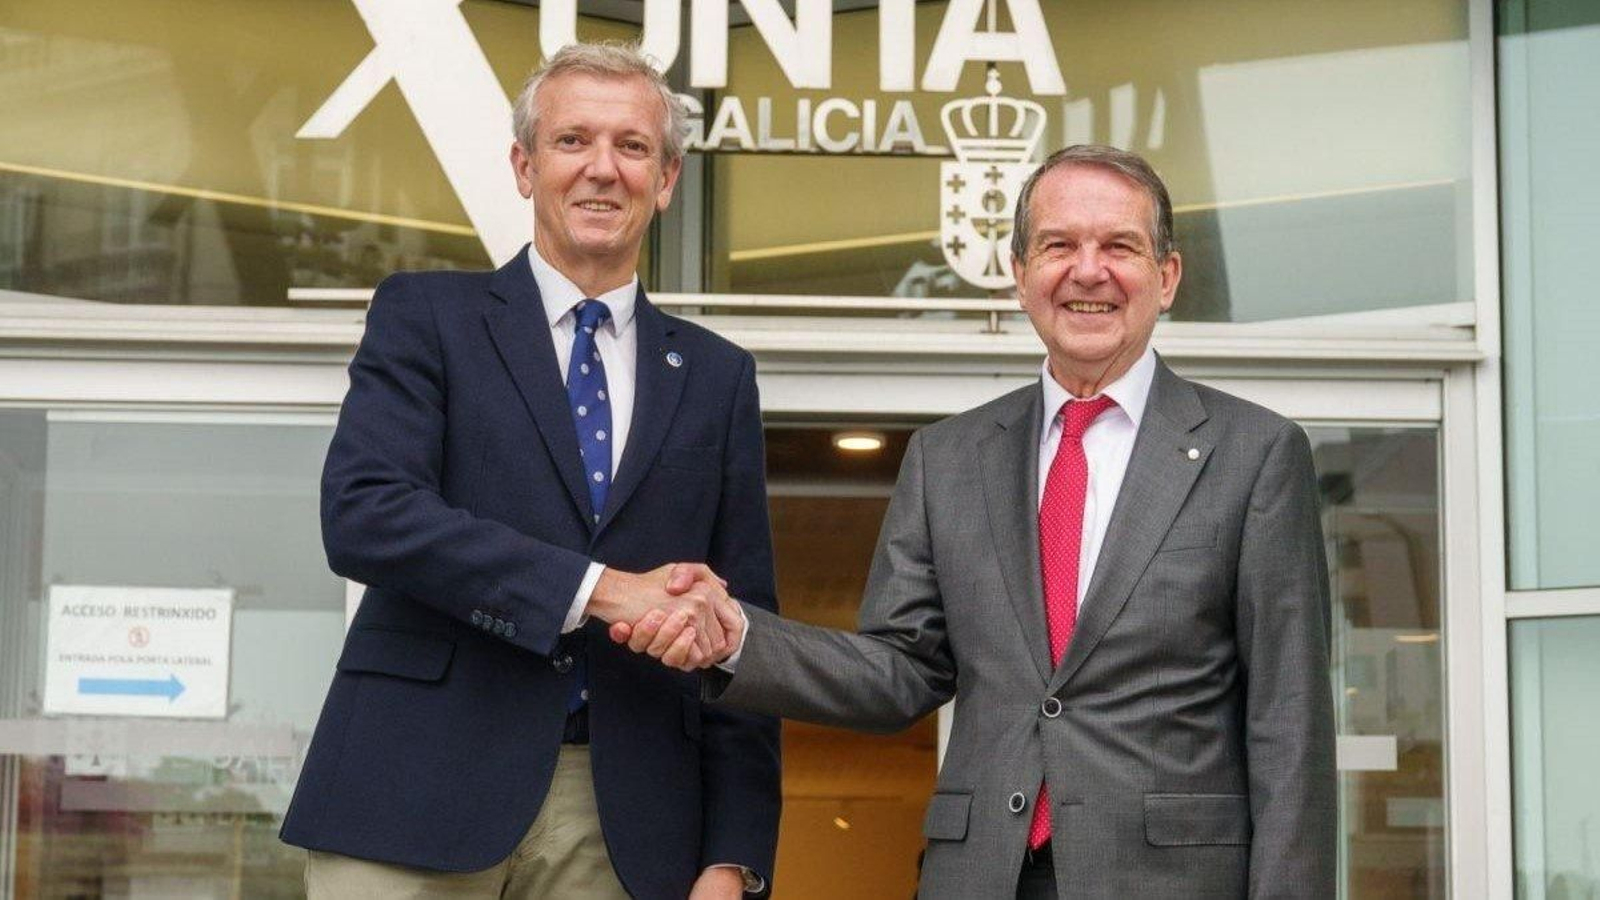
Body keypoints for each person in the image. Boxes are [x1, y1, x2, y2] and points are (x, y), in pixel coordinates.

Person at [620, 145, 1336, 898]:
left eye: (1118, 246)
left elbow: (1290, 726)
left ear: (1167, 278)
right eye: (1059, 245)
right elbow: (901, 670)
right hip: (982, 874)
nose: (1087, 271)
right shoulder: (947, 458)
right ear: (1021, 274)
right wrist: (739, 637)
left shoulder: (1256, 454)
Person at [280, 42, 779, 900]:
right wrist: (601, 589)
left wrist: (732, 854)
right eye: (572, 140)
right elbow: (366, 512)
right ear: (524, 166)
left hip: (628, 814)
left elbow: (742, 625)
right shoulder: (425, 316)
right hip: (412, 786)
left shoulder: (717, 375)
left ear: (666, 180)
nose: (601, 170)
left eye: (631, 147)